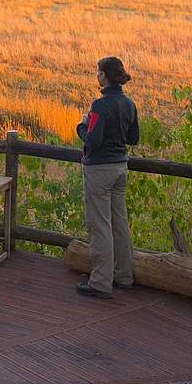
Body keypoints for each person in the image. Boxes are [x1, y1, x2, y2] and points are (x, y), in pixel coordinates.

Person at [75, 56, 140, 299]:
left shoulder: (100, 106)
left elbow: (93, 140)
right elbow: (133, 138)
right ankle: (124, 276)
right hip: (120, 167)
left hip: (99, 170)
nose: (96, 75)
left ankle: (101, 282)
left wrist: (81, 126)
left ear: (104, 75)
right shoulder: (129, 104)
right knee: (119, 223)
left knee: (100, 225)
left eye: (98, 71)